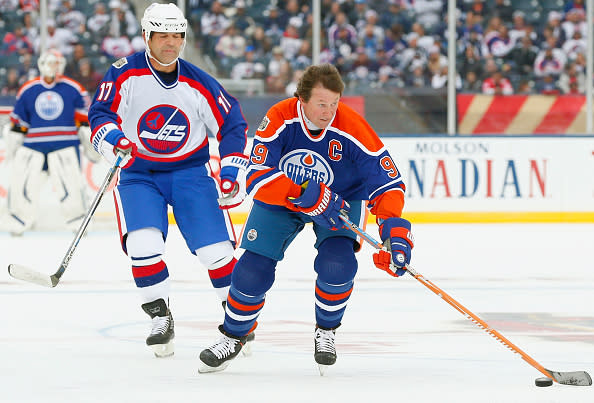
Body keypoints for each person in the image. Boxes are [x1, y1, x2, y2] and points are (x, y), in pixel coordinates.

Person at [198, 63, 413, 374]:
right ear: (302, 99)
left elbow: (387, 181)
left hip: (339, 199)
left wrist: (393, 230)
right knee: (251, 270)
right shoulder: (280, 117)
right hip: (282, 198)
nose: (328, 112)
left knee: (338, 265)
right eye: (321, 103)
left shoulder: (351, 126)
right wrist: (305, 192)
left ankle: (326, 331)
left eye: (334, 103)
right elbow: (256, 177)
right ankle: (233, 335)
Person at [87, 2, 251, 359]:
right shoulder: (123, 73)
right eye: (162, 35)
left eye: (177, 36)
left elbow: (232, 123)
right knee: (143, 245)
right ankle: (159, 316)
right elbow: (100, 113)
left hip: (190, 172)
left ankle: (239, 319)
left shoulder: (197, 80)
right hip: (139, 173)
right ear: (147, 35)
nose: (170, 43)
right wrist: (115, 140)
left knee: (216, 252)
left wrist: (230, 170)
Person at [4, 48, 92, 235]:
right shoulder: (28, 89)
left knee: (72, 186)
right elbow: (19, 122)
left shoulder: (74, 89)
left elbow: (85, 120)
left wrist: (90, 143)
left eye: (58, 63)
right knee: (24, 185)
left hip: (65, 146)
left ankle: (77, 222)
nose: (55, 67)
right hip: (33, 148)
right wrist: (13, 144)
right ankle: (19, 221)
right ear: (42, 64)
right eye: (51, 62)